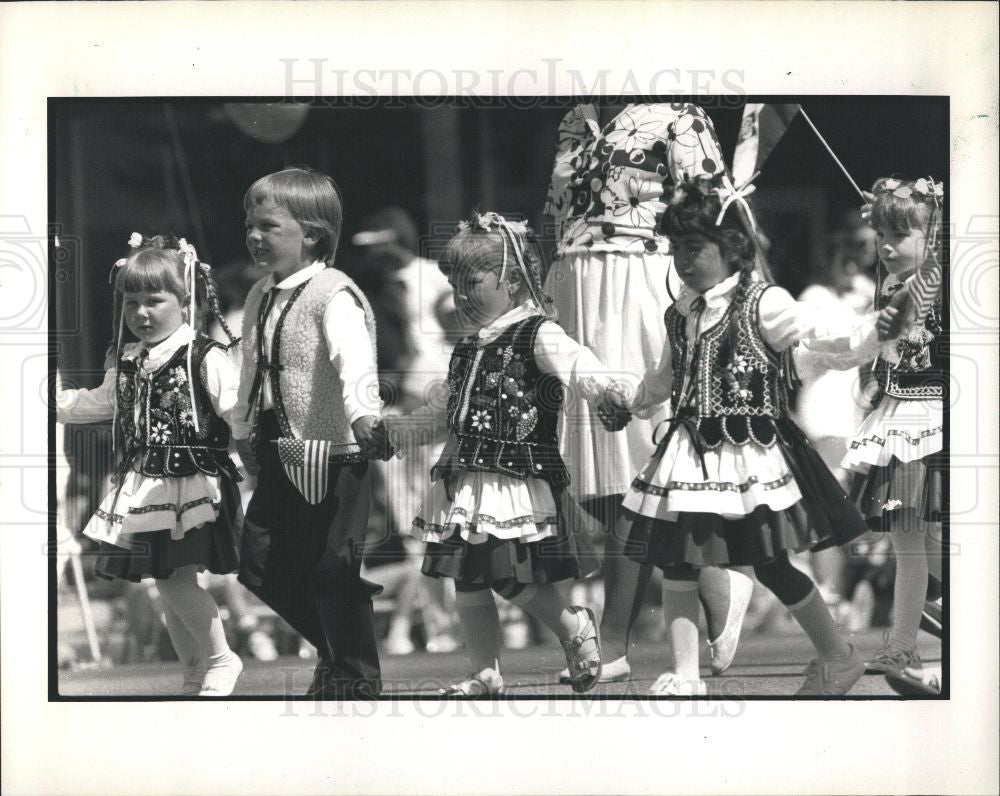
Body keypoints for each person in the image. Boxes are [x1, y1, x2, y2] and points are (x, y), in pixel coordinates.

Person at [609, 179, 884, 696]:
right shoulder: (680, 313)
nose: (682, 262)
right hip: (688, 456)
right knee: (679, 557)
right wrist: (627, 402)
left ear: (732, 247)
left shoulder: (764, 302)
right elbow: (664, 380)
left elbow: (823, 336)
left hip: (751, 455)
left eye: (694, 248)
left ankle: (840, 654)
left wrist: (874, 329)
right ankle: (686, 673)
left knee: (771, 562)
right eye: (675, 250)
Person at [544, 102, 754, 683]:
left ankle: (613, 642)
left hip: (641, 284)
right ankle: (718, 582)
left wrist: (729, 309)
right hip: (576, 289)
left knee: (638, 471)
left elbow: (721, 216)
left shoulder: (676, 115)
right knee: (594, 483)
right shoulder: (574, 118)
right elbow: (556, 214)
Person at [390, 211, 622, 696]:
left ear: (512, 280)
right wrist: (395, 433)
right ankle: (485, 672)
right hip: (463, 481)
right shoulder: (466, 348)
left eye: (471, 282)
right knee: (468, 579)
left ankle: (573, 625)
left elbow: (578, 364)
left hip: (513, 479)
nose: (460, 296)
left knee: (505, 574)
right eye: (454, 286)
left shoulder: (537, 332)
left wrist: (605, 392)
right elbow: (445, 412)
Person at [57, 233, 244, 696]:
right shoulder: (127, 360)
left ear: (185, 301)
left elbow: (237, 409)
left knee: (176, 580)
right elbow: (104, 402)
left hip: (190, 483)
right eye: (130, 302)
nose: (140, 313)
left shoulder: (205, 356)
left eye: (154, 301)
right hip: (143, 485)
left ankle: (223, 659)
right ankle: (195, 672)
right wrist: (51, 402)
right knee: (165, 582)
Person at [232, 167, 387, 699]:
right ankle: (333, 651)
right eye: (250, 225)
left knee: (332, 567)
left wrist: (366, 415)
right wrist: (240, 428)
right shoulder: (259, 295)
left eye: (268, 226)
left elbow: (353, 359)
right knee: (257, 565)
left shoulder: (332, 292)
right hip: (279, 446)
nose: (254, 236)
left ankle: (356, 677)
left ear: (312, 233)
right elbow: (252, 367)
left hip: (334, 449)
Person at [820, 177, 946, 675]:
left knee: (925, 540)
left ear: (933, 237)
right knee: (909, 540)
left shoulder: (938, 276)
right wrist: (873, 378)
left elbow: (890, 325)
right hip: (898, 416)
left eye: (900, 234)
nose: (887, 246)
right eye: (882, 235)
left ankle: (915, 637)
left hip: (936, 418)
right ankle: (904, 642)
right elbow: (881, 347)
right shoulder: (891, 283)